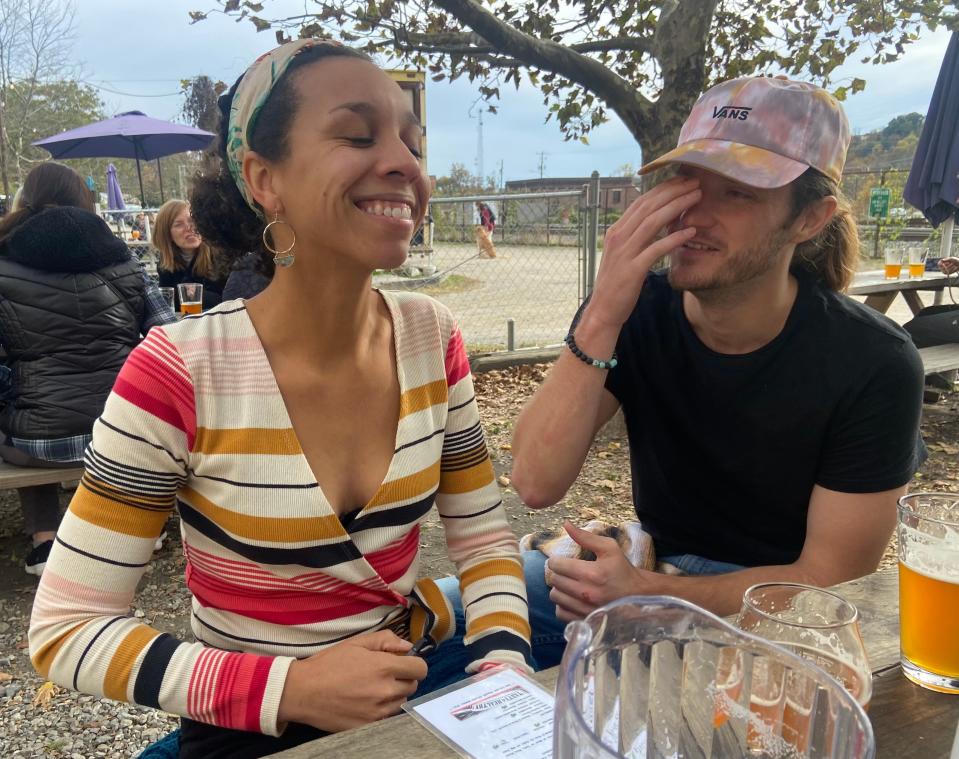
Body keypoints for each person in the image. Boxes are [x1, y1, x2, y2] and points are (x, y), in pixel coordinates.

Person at [30, 39, 531, 759]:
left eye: (410, 142)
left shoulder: (433, 337)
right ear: (264, 178)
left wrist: (502, 671)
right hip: (246, 727)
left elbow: (482, 539)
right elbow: (66, 628)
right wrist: (289, 689)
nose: (403, 163)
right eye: (358, 134)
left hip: (408, 688)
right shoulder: (178, 371)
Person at [508, 76, 926, 665]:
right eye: (686, 183)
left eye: (736, 192)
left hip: (768, 611)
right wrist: (602, 310)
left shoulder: (873, 361)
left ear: (811, 217)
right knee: (463, 614)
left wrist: (651, 591)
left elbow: (830, 579)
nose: (693, 215)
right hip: (647, 561)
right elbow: (533, 481)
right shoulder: (634, 311)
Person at [0, 162, 176, 575]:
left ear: (25, 199)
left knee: (22, 415)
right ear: (86, 202)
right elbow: (170, 339)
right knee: (98, 424)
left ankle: (45, 543)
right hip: (124, 428)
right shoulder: (125, 262)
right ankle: (136, 529)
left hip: (36, 445)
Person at [153, 199, 227, 310]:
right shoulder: (166, 262)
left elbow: (224, 300)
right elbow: (166, 301)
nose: (189, 228)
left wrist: (185, 293)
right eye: (179, 224)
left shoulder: (219, 255)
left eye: (192, 220)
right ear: (166, 234)